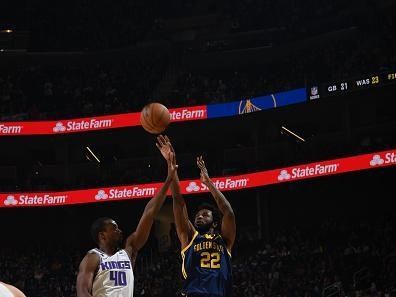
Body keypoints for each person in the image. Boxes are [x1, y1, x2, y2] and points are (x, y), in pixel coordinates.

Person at [76, 148, 178, 297]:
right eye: (114, 229)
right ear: (102, 235)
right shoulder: (93, 257)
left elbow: (149, 213)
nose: (119, 231)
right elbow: (82, 291)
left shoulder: (128, 251)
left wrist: (169, 177)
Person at [156, 135, 236, 297]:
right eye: (198, 215)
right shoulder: (189, 237)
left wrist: (208, 183)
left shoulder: (225, 241)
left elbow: (228, 212)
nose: (199, 217)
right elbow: (178, 203)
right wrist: (171, 167)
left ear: (214, 223)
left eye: (205, 215)